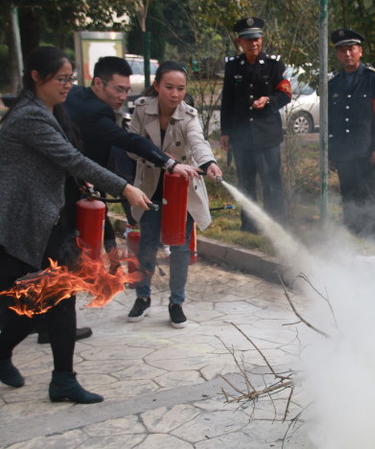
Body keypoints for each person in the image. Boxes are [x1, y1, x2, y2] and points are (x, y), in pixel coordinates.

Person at [0, 46, 151, 403]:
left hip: (50, 219)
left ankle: (62, 379)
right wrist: (125, 187)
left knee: (57, 297)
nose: (68, 85)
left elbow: (63, 164)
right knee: (41, 299)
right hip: (26, 224)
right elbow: (72, 158)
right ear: (37, 78)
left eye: (71, 79)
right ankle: (46, 372)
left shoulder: (49, 110)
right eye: (61, 79)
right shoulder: (29, 117)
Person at [65, 56, 200, 252]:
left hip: (89, 175)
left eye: (127, 91)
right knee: (74, 242)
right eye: (118, 89)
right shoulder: (98, 111)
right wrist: (170, 163)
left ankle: (112, 266)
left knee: (98, 223)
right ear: (97, 83)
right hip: (70, 180)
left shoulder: (75, 93)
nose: (123, 96)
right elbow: (130, 141)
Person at [126, 61, 222, 328]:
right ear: (157, 86)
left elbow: (198, 142)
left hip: (181, 190)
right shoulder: (142, 109)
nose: (175, 94)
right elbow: (131, 147)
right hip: (150, 187)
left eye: (180, 88)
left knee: (180, 247)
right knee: (147, 244)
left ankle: (176, 302)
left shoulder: (188, 115)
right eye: (169, 87)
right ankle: (142, 298)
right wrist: (160, 158)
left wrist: (209, 163)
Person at [220, 17, 292, 233]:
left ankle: (275, 225)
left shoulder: (274, 65)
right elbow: (228, 101)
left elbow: (286, 94)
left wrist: (268, 100)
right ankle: (249, 226)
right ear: (240, 42)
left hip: (267, 135)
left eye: (257, 39)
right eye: (248, 40)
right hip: (242, 137)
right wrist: (226, 132)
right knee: (246, 182)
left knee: (271, 182)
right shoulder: (233, 66)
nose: (254, 44)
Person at [328, 29, 375, 242]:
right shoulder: (333, 83)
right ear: (337, 54)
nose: (347, 54)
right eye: (342, 50)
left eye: (351, 49)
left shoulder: (374, 79)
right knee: (348, 195)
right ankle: (352, 236)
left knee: (369, 196)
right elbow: (332, 121)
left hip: (367, 150)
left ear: (360, 51)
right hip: (344, 151)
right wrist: (331, 152)